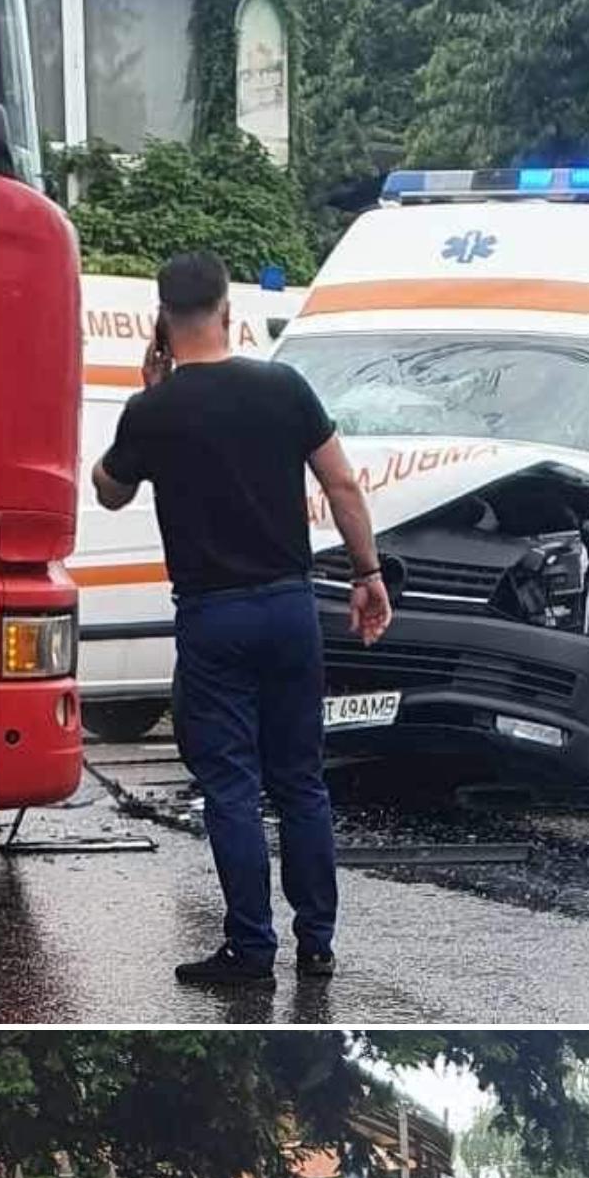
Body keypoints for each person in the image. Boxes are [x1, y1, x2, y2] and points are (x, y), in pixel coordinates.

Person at [92, 249, 394, 988]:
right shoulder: (284, 387)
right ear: (229, 310)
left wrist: (149, 397)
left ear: (162, 320)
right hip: (289, 607)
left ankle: (251, 951)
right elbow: (343, 484)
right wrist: (368, 573)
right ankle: (317, 944)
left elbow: (107, 491)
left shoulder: (154, 410)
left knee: (230, 784)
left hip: (212, 618)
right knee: (301, 781)